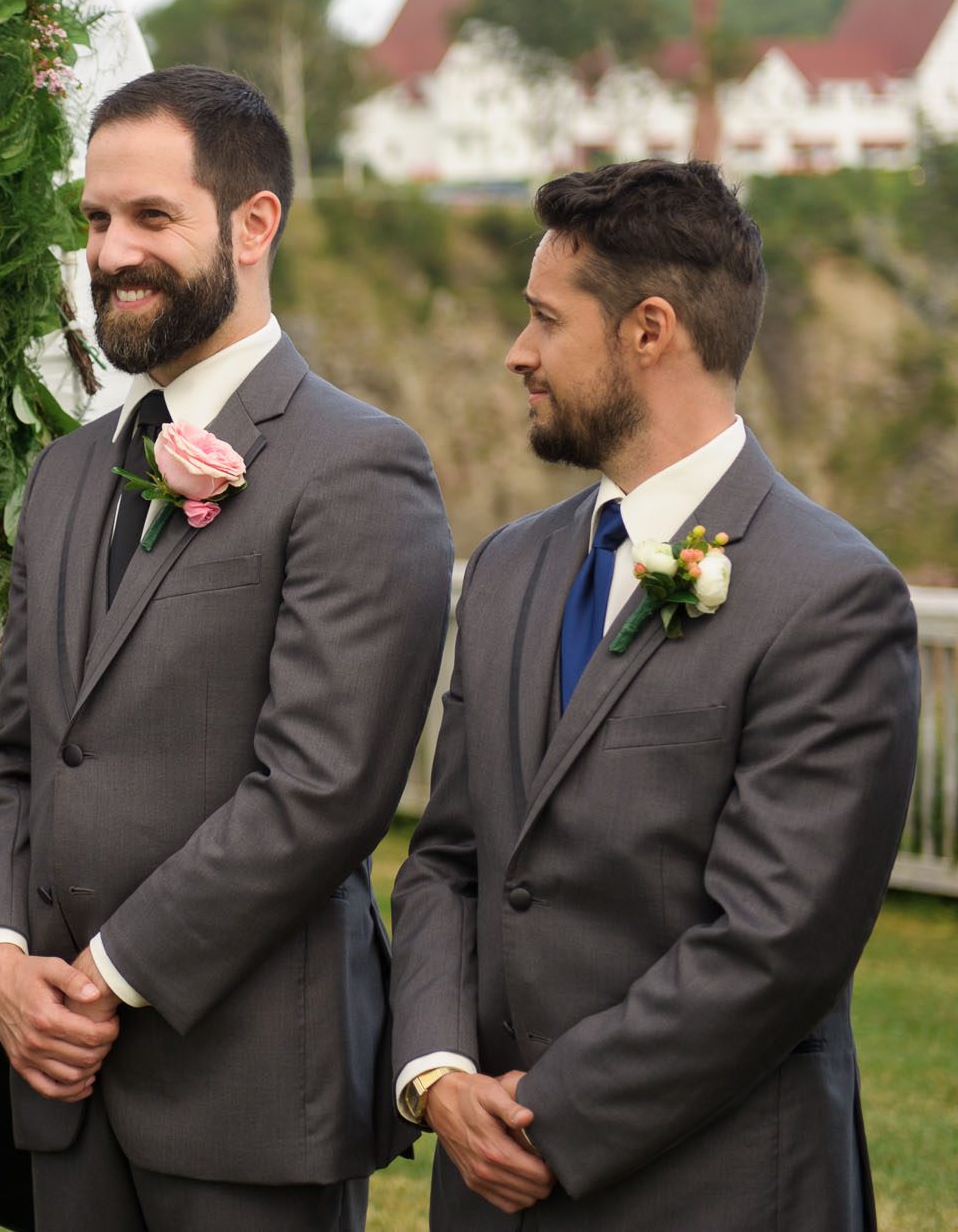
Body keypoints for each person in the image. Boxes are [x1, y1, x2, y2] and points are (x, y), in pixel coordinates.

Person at [0, 65, 452, 1231]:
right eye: (93, 218)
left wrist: (105, 973)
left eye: (148, 217)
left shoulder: (357, 465)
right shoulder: (70, 470)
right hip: (56, 1085)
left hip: (247, 1087)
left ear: (252, 222)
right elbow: (9, 756)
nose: (111, 251)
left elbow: (322, 788)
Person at [389, 158, 919, 1230]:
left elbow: (775, 941)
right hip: (481, 1186)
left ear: (647, 331)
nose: (515, 352)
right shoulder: (504, 567)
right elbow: (448, 855)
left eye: (543, 319)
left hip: (713, 1187)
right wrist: (439, 1070)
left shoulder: (830, 596)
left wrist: (549, 1115)